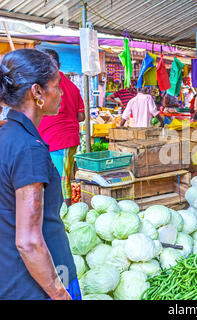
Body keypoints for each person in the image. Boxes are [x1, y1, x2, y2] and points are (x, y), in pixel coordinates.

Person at [0, 49, 79, 300]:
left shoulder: (8, 136)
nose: (62, 92)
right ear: (37, 92)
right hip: (36, 285)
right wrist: (60, 294)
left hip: (12, 276)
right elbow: (29, 242)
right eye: (57, 86)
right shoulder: (28, 148)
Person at [37, 48, 85, 207]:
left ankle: (67, 214)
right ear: (59, 64)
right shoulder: (72, 86)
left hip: (58, 138)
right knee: (60, 178)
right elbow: (81, 117)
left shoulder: (45, 86)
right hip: (64, 139)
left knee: (61, 180)